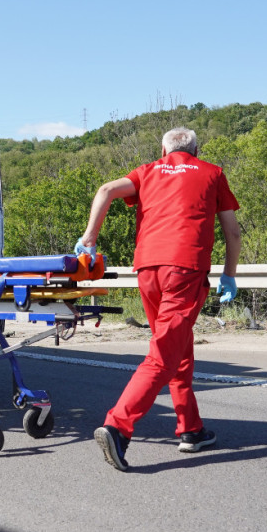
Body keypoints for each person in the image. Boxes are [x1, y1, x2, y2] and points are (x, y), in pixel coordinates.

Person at [74, 127, 242, 471]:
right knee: (165, 352)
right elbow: (233, 231)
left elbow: (106, 190)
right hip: (185, 267)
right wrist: (229, 273)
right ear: (196, 150)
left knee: (177, 346)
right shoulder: (213, 173)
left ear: (163, 151)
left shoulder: (148, 171)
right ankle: (117, 426)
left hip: (148, 269)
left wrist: (90, 238)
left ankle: (191, 429)